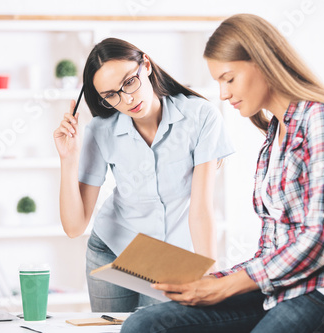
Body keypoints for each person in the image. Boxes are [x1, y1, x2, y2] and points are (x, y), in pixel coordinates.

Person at [121, 13, 324, 333]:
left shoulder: (320, 119)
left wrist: (226, 287)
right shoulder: (274, 134)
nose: (224, 94)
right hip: (282, 290)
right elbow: (274, 250)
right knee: (144, 323)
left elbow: (319, 239)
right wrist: (212, 281)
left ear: (263, 62)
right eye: (219, 82)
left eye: (229, 78)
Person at [53, 38, 234, 312]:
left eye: (129, 82)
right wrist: (68, 159)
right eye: (111, 95)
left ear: (146, 65)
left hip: (168, 257)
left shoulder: (201, 117)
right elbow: (74, 227)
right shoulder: (101, 130)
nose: (127, 99)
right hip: (112, 247)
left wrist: (210, 277)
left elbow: (201, 210)